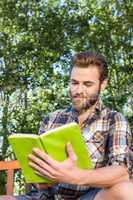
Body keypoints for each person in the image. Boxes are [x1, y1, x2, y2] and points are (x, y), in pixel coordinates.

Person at [1, 51, 133, 200]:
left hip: (88, 197)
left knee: (128, 190)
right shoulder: (52, 118)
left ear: (103, 84)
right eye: (74, 83)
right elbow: (38, 183)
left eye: (87, 84)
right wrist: (43, 179)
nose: (78, 91)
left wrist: (75, 176)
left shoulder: (114, 119)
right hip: (44, 198)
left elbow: (121, 172)